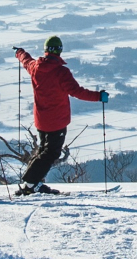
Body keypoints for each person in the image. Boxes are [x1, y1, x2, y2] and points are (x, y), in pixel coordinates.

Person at [13, 36, 106, 195]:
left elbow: (26, 61)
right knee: (51, 153)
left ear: (46, 50)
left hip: (41, 120)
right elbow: (77, 92)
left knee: (43, 151)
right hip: (56, 121)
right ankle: (30, 183)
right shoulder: (61, 72)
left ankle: (31, 183)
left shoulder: (35, 67)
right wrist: (98, 96)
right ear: (60, 50)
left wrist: (20, 52)